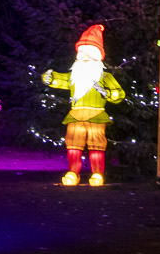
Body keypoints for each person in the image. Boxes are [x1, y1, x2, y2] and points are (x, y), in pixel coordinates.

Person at [44, 23, 126, 186]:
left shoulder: (105, 77)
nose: (86, 56)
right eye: (82, 52)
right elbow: (61, 80)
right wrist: (50, 78)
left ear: (99, 55)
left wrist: (107, 93)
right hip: (75, 115)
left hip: (96, 115)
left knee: (97, 145)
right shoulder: (74, 76)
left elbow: (119, 94)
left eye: (90, 52)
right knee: (73, 145)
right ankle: (73, 173)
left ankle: (97, 174)